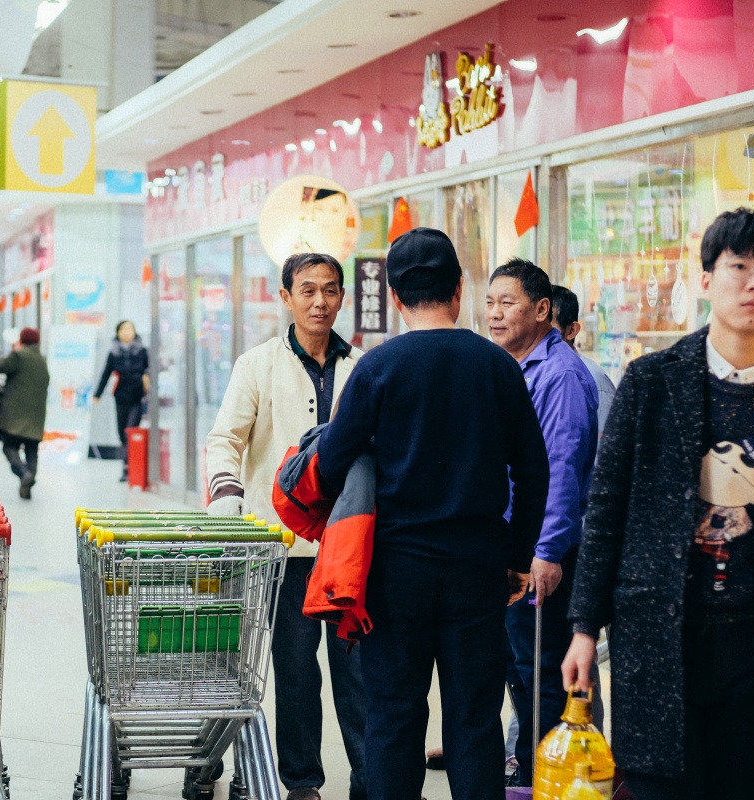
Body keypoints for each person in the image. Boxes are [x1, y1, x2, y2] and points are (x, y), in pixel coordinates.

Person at [316, 228, 549, 800]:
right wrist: (518, 559)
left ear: (395, 296)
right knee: (475, 720)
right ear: (460, 289)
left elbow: (327, 465)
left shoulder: (376, 368)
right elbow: (535, 470)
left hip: (395, 574)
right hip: (478, 569)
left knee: (394, 718)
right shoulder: (496, 367)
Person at [564, 206, 754, 800]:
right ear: (707, 280)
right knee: (657, 787)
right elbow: (605, 510)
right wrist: (584, 628)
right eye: (739, 266)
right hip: (659, 635)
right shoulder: (653, 381)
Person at [206, 252, 366, 800]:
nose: (319, 301)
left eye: (329, 290)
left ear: (343, 297)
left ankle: (370, 779)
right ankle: (302, 782)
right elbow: (225, 439)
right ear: (285, 298)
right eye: (307, 290)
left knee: (357, 671)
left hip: (351, 546)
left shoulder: (362, 367)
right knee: (296, 669)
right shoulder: (257, 365)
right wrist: (227, 491)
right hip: (285, 548)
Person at [485, 259, 598, 787]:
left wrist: (546, 551)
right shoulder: (514, 366)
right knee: (520, 672)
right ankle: (534, 774)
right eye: (490, 303)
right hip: (515, 549)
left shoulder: (560, 375)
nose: (495, 314)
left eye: (508, 302)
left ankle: (545, 782)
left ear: (542, 309)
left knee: (541, 675)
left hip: (544, 555)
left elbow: (561, 467)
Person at [0, 327, 49, 499]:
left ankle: (23, 474)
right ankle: (29, 479)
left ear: (22, 340)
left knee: (9, 446)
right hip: (36, 416)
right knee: (31, 450)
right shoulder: (42, 360)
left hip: (15, 414)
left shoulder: (19, 356)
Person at [550, 285, 617, 433]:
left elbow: (605, 446)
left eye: (547, 328)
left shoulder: (592, 378)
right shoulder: (527, 371)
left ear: (572, 331)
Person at [93, 320, 150, 482]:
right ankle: (126, 465)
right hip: (120, 397)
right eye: (123, 329)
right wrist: (97, 394)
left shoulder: (142, 351)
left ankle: (128, 468)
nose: (126, 332)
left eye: (129, 329)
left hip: (137, 397)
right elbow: (106, 374)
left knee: (130, 431)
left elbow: (150, 370)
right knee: (121, 432)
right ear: (117, 332)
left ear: (134, 332)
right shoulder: (113, 352)